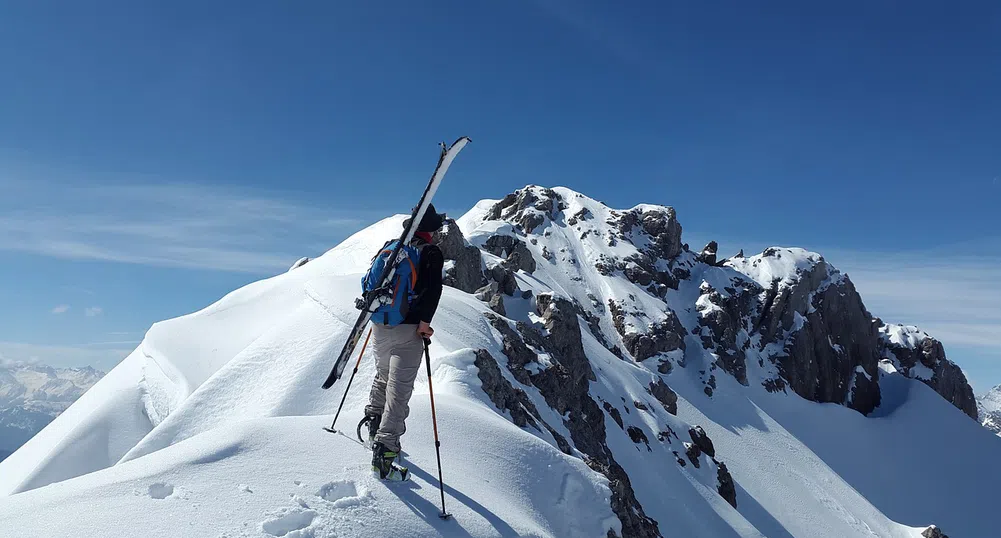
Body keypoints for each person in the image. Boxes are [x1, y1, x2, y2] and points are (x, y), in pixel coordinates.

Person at [363, 205, 446, 481]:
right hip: (407, 330)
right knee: (399, 391)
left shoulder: (394, 247)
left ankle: (374, 424)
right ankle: (385, 455)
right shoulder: (430, 252)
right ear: (430, 229)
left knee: (383, 376)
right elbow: (432, 290)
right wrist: (424, 323)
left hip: (380, 323)